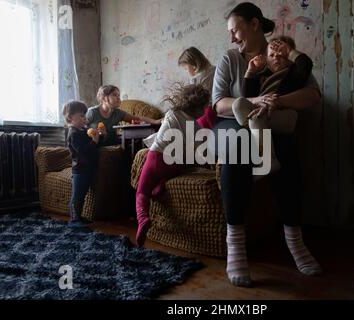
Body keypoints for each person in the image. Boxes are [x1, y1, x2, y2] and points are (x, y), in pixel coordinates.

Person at [212, 2, 323, 287]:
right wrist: (256, 102)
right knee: (238, 143)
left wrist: (277, 102)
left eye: (235, 30)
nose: (232, 37)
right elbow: (218, 104)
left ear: (254, 25)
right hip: (233, 123)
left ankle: (295, 243)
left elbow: (312, 95)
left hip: (269, 122)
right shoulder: (230, 59)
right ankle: (235, 245)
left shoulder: (279, 52)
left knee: (285, 147)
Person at [135, 83, 212, 247]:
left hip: (157, 157)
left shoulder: (172, 113)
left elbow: (159, 133)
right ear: (200, 107)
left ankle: (142, 219)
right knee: (177, 170)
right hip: (175, 165)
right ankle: (161, 184)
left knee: (142, 191)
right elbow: (201, 154)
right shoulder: (197, 127)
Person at [232, 36, 313, 173]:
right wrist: (251, 71)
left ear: (290, 58)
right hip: (264, 117)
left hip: (286, 116)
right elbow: (248, 96)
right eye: (272, 55)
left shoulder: (292, 74)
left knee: (256, 118)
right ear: (266, 59)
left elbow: (305, 64)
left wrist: (290, 51)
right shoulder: (263, 76)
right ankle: (253, 131)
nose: (277, 57)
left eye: (282, 54)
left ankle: (269, 161)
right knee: (238, 104)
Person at [63, 101, 103, 226]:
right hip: (80, 169)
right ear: (70, 118)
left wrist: (100, 135)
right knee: (78, 195)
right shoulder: (73, 133)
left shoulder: (84, 130)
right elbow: (82, 150)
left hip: (88, 168)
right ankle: (74, 219)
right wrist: (94, 142)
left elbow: (94, 145)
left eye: (85, 116)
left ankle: (79, 217)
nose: (84, 119)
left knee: (83, 194)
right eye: (81, 116)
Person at [86, 85, 162, 146]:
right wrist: (95, 133)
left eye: (119, 95)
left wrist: (156, 121)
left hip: (112, 142)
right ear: (104, 98)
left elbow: (138, 119)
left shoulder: (118, 113)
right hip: (95, 143)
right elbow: (81, 128)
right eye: (114, 95)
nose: (118, 98)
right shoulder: (92, 112)